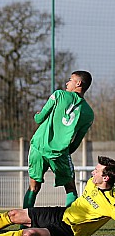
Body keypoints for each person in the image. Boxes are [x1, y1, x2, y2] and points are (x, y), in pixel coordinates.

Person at [0, 156, 115, 236]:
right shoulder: (91, 182)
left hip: (69, 231)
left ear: (105, 178)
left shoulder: (111, 203)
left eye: (96, 171)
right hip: (61, 214)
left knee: (28, 234)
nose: (92, 172)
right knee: (13, 214)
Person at [23, 71, 94, 208]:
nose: (67, 83)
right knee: (71, 188)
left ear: (78, 83)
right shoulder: (89, 113)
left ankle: (24, 224)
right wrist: (64, 150)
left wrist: (37, 115)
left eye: (70, 80)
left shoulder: (59, 95)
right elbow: (76, 143)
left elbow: (39, 119)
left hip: (39, 146)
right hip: (60, 153)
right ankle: (69, 224)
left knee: (33, 187)